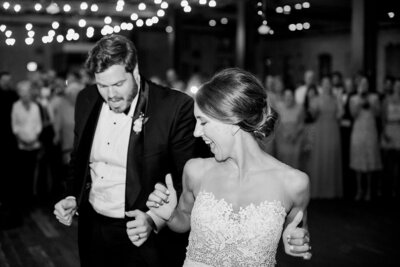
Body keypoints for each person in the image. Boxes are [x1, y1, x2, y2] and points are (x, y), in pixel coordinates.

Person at [147, 68, 312, 266]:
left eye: (202, 122)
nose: (196, 132)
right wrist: (171, 215)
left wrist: (296, 241)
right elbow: (185, 220)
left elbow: (299, 231)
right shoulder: (196, 171)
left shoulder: (294, 183)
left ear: (231, 119)